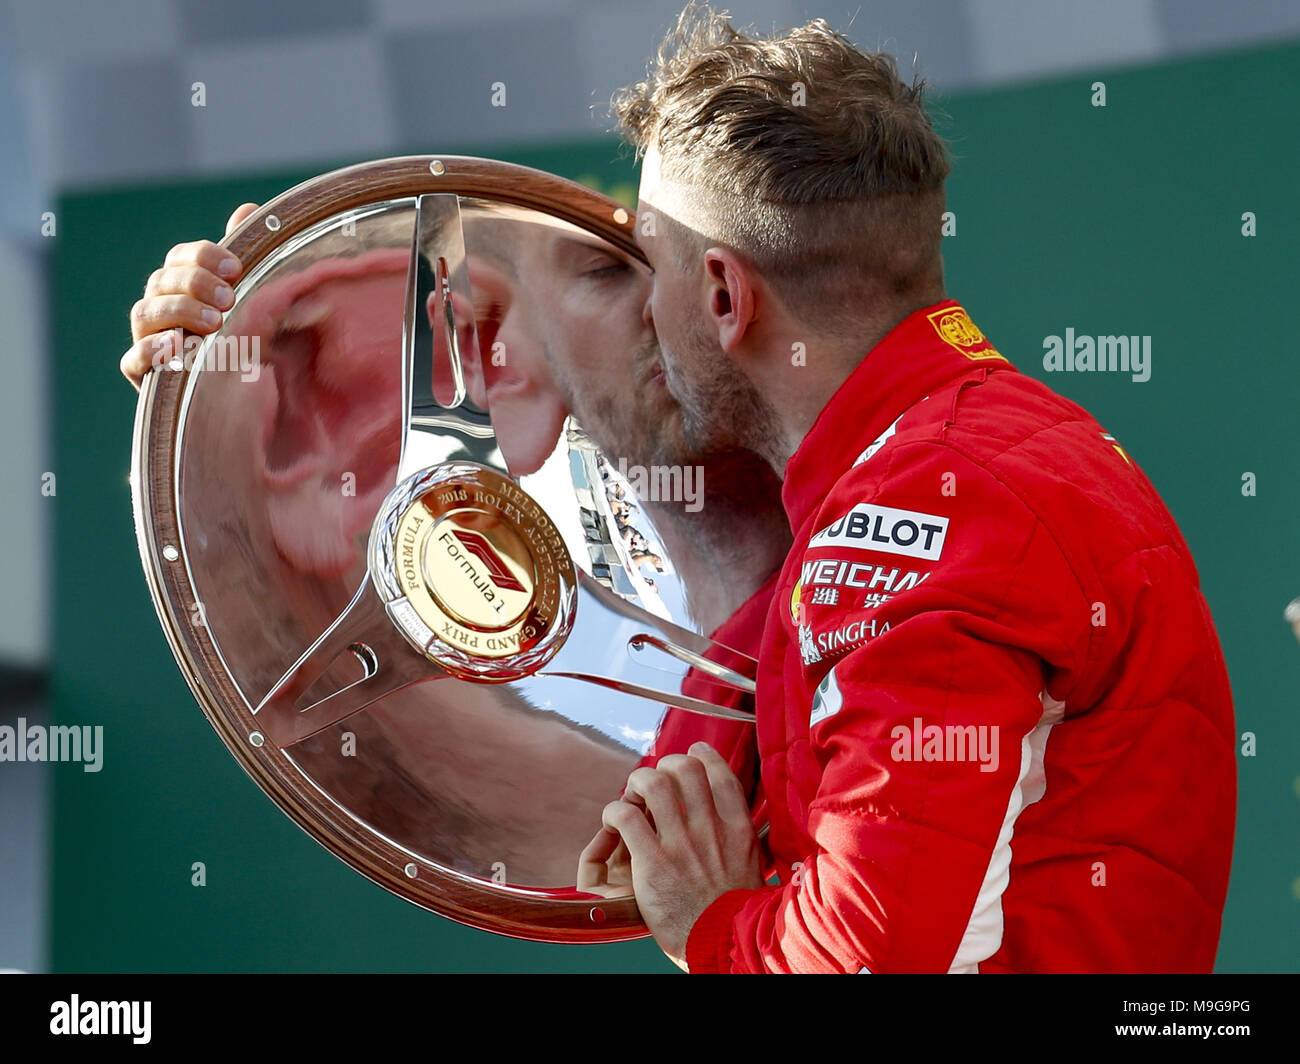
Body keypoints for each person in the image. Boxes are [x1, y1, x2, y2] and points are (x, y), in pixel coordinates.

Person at [575, 4, 1236, 973]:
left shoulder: (921, 505)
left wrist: (709, 926)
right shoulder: (979, 454)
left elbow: (870, 957)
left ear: (723, 294)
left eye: (648, 267)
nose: (645, 315)